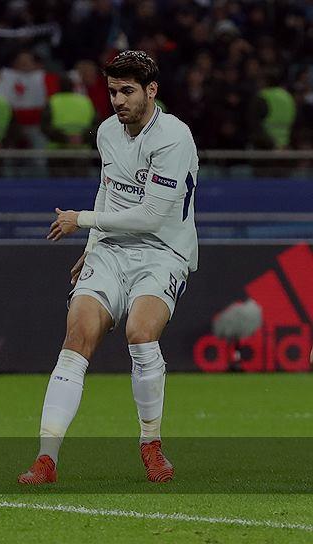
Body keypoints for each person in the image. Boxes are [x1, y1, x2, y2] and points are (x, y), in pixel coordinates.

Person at [20, 51, 199, 485]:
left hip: (162, 251)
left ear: (151, 91)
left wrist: (81, 220)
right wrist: (93, 244)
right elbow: (109, 190)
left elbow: (152, 216)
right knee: (77, 335)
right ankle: (46, 459)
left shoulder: (174, 137)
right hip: (111, 249)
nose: (118, 100)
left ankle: (150, 444)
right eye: (113, 91)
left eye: (127, 91)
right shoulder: (107, 132)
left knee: (141, 331)